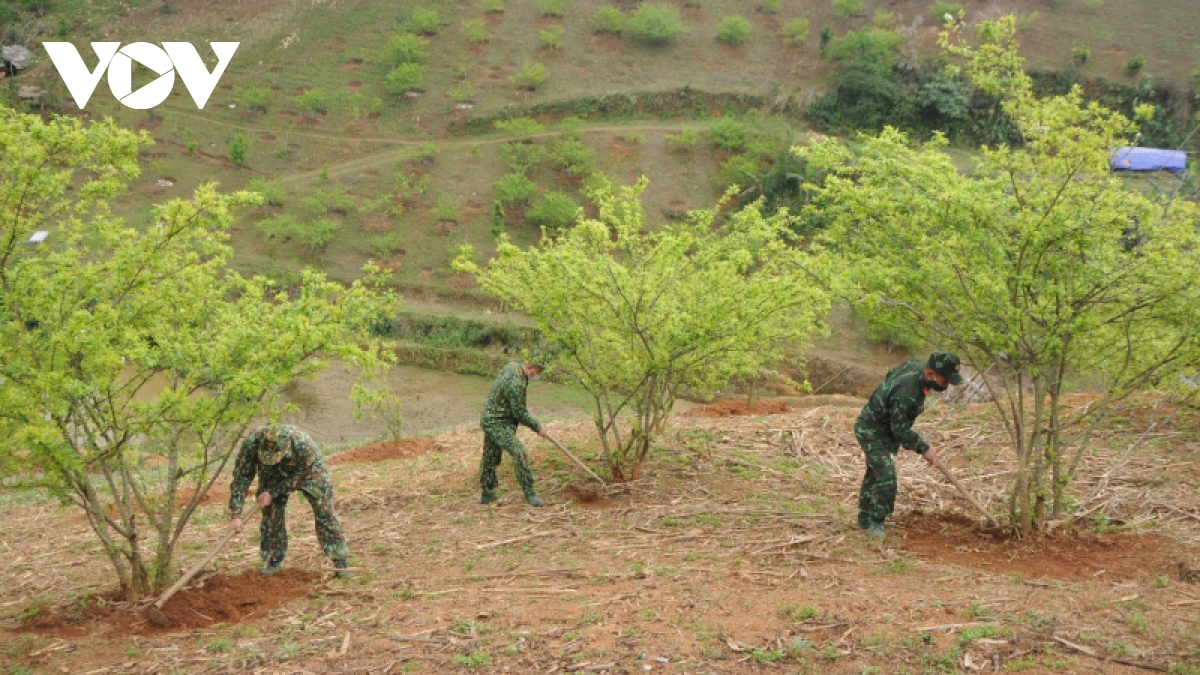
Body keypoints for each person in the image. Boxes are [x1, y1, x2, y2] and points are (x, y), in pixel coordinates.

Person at [855, 352, 963, 539]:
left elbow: (890, 375)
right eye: (945, 381)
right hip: (871, 430)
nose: (946, 386)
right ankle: (876, 523)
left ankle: (865, 519)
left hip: (883, 426)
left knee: (875, 473)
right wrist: (924, 447)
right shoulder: (906, 394)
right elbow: (900, 432)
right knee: (887, 477)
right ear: (930, 373)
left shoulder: (917, 366)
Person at [228, 424, 352, 578]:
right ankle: (273, 560)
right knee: (271, 515)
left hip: (308, 473)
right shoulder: (252, 442)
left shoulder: (302, 443)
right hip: (271, 475)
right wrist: (236, 513)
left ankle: (340, 559)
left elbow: (300, 477)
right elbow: (241, 477)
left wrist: (273, 492)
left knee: (325, 511)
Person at [480, 361, 549, 507]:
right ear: (531, 367)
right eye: (537, 372)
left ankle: (487, 493)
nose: (537, 376)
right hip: (497, 423)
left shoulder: (512, 366)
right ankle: (530, 493)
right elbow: (519, 413)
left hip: (490, 417)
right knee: (519, 452)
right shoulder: (516, 383)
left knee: (490, 456)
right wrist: (537, 427)